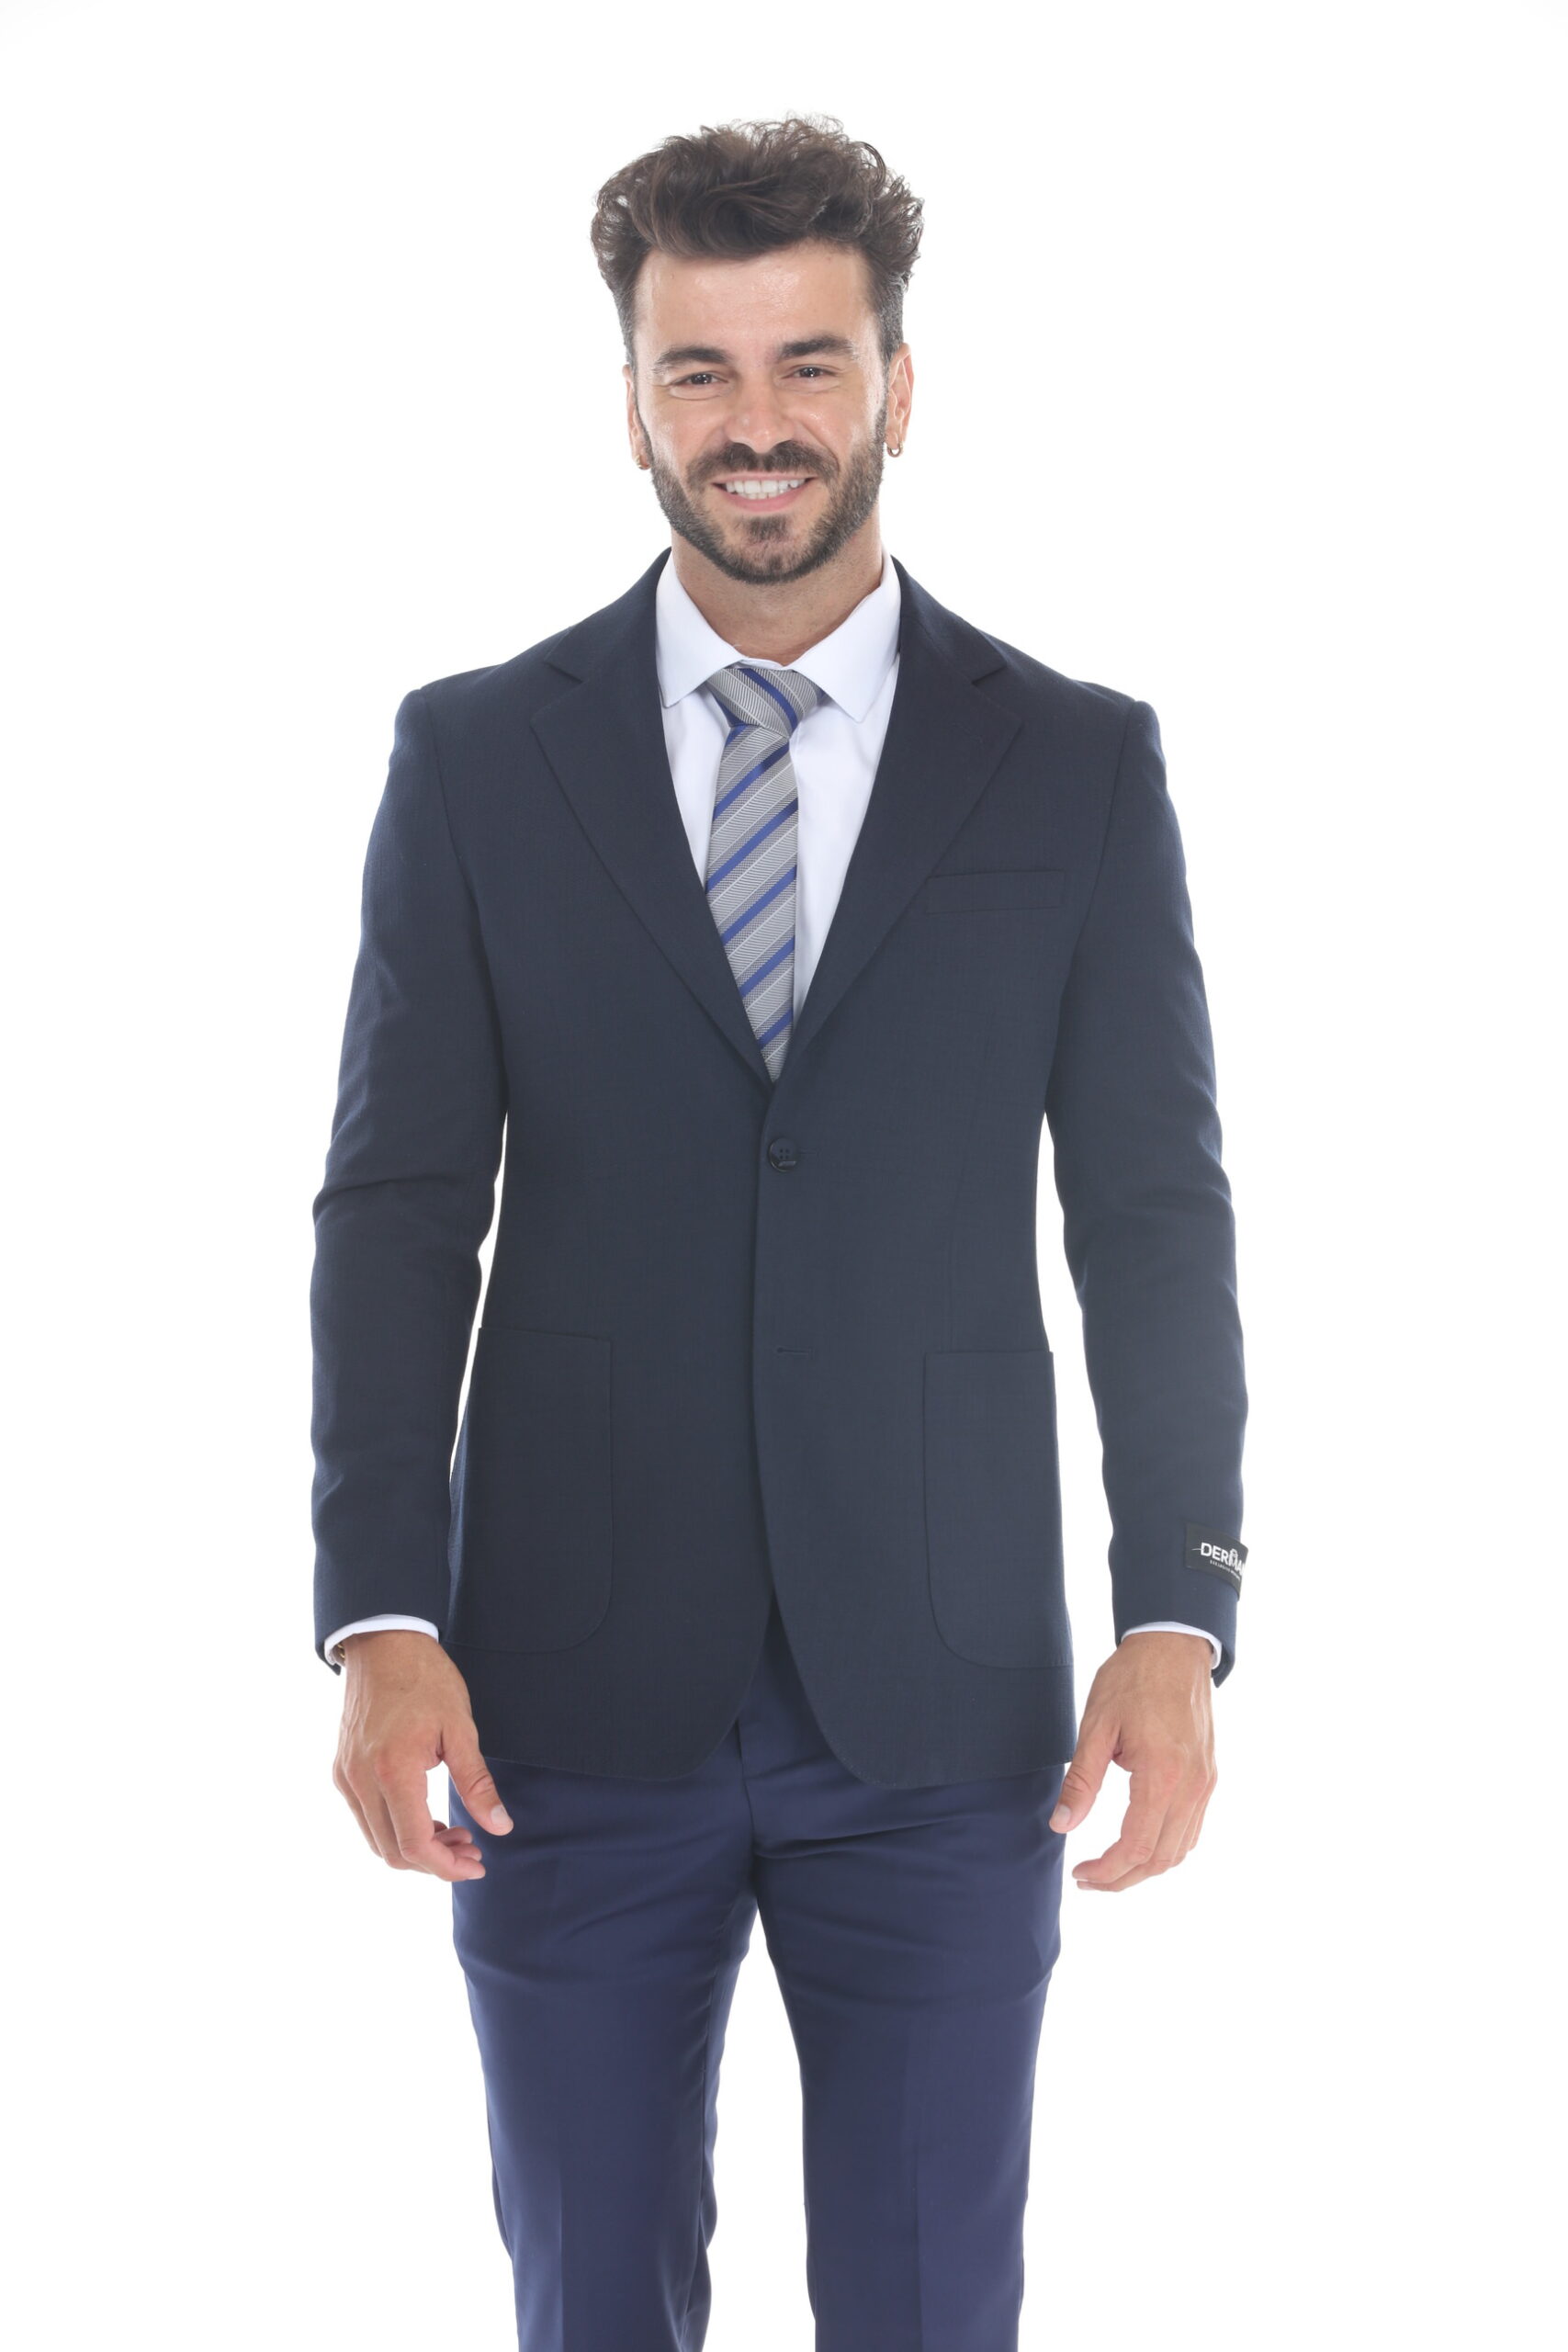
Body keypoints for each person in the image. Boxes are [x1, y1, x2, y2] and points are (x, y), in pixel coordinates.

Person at [310, 112, 1248, 2352]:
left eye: (807, 363)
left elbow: (1149, 1213)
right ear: (628, 402)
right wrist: (378, 1609)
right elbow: (397, 1206)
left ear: (896, 386)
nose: (755, 423)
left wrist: (1176, 1608)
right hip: (554, 1696)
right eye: (699, 370)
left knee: (930, 2309)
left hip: (942, 1700)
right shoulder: (474, 757)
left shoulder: (1073, 766)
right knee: (588, 2306)